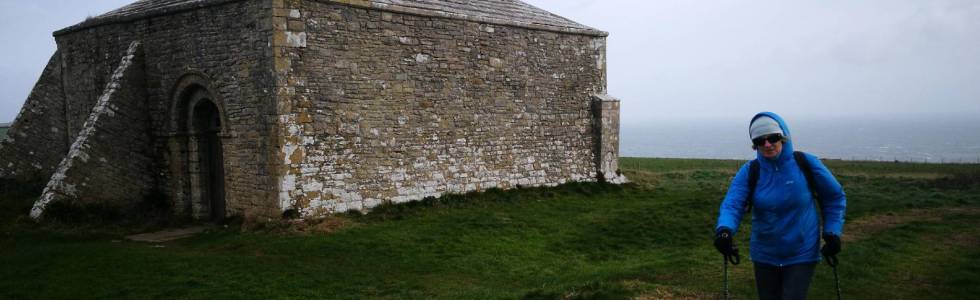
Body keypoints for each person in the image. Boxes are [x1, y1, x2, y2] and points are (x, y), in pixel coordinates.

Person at [714, 112, 847, 300]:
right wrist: (724, 231)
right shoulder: (750, 171)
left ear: (783, 137)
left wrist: (832, 233)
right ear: (755, 145)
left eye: (773, 138)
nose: (767, 144)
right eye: (760, 140)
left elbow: (834, 197)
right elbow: (732, 205)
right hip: (765, 253)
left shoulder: (806, 163)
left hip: (802, 251)